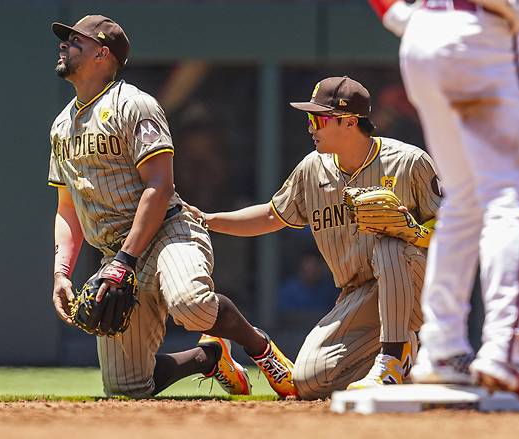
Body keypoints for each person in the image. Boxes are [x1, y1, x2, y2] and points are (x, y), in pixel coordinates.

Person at [47, 14, 295, 398]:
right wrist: (62, 272)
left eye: (76, 40)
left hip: (168, 233)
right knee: (126, 388)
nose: (65, 45)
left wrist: (124, 262)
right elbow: (67, 208)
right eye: (66, 40)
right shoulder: (62, 126)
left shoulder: (135, 105)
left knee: (191, 304)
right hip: (118, 253)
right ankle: (209, 357)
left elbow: (160, 187)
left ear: (103, 53)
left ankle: (261, 349)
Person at [370, 0, 519, 408]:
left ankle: (442, 348)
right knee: (509, 200)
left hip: (424, 38)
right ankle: (507, 351)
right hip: (483, 35)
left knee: (463, 201)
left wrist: (398, 16)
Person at [185, 76, 442, 399]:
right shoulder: (312, 170)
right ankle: (408, 358)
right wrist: (209, 220)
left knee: (390, 243)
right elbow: (269, 216)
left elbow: (451, 230)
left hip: (417, 283)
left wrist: (414, 232)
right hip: (359, 295)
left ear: (349, 122)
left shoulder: (409, 161)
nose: (310, 126)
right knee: (308, 382)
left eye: (317, 118)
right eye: (309, 118)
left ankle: (393, 357)